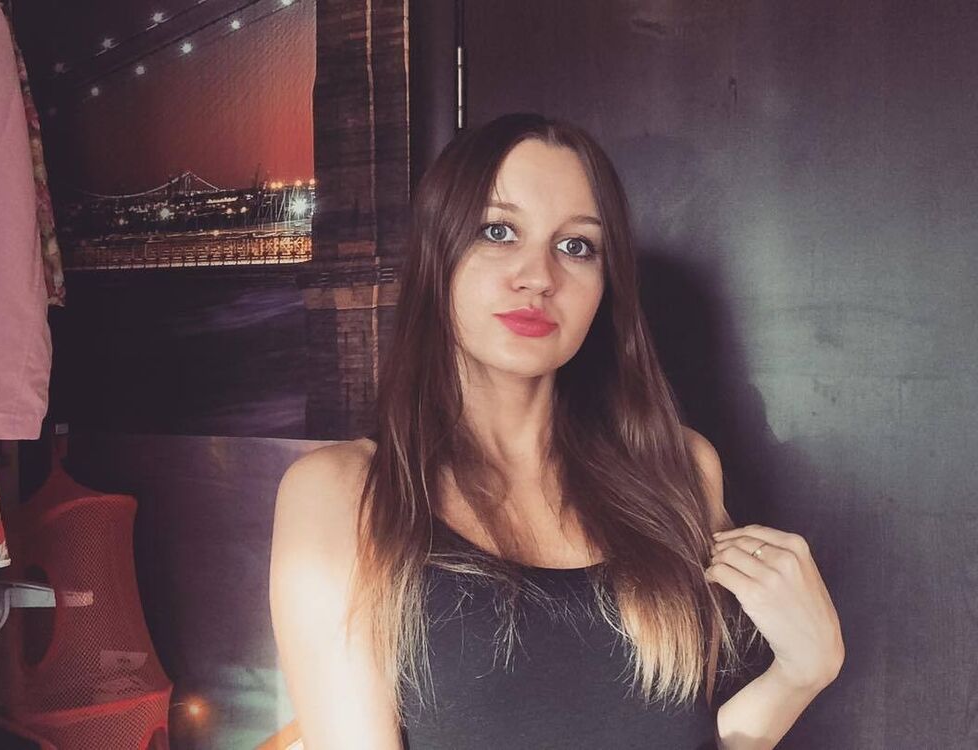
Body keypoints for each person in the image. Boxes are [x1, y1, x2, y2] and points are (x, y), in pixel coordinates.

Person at [269, 113, 845, 749]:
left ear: (605, 286)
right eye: (497, 231)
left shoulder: (679, 468)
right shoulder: (344, 494)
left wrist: (802, 675)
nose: (540, 276)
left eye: (576, 246)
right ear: (437, 257)